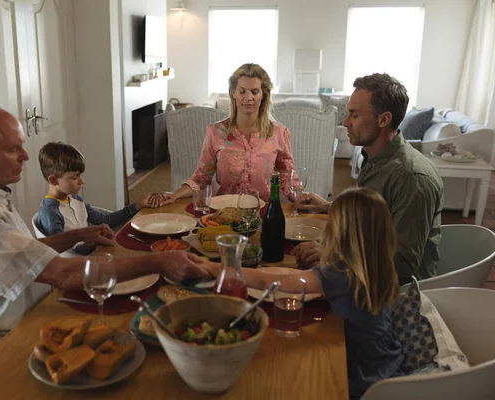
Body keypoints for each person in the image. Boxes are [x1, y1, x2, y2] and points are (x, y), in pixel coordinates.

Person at [0, 100, 210, 334]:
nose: (25, 156)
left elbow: (25, 256)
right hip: (13, 329)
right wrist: (160, 261)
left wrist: (76, 234)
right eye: (13, 149)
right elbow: (61, 273)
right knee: (141, 324)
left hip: (33, 302)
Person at [223, 188, 403, 399]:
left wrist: (218, 268)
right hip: (385, 359)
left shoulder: (339, 275)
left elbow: (270, 282)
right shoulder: (374, 263)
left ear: (340, 233)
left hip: (365, 377)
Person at [294, 73, 443, 285]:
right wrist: (329, 206)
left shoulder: (412, 177)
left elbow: (401, 266)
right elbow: (373, 211)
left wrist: (335, 256)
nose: (345, 122)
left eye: (354, 115)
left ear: (384, 119)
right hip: (365, 272)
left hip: (395, 294)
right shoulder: (374, 157)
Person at [154, 63, 297, 206]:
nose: (248, 98)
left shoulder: (279, 133)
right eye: (242, 91)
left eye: (254, 92)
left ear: (263, 95)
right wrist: (174, 194)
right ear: (233, 92)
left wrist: (299, 195)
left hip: (263, 212)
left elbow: (287, 176)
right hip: (223, 213)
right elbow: (201, 178)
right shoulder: (215, 132)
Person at [37, 141, 156, 254]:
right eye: (74, 177)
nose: (81, 181)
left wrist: (138, 205)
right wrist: (93, 243)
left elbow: (106, 220)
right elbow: (62, 249)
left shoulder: (75, 199)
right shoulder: (50, 211)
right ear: (53, 180)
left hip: (94, 250)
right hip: (79, 262)